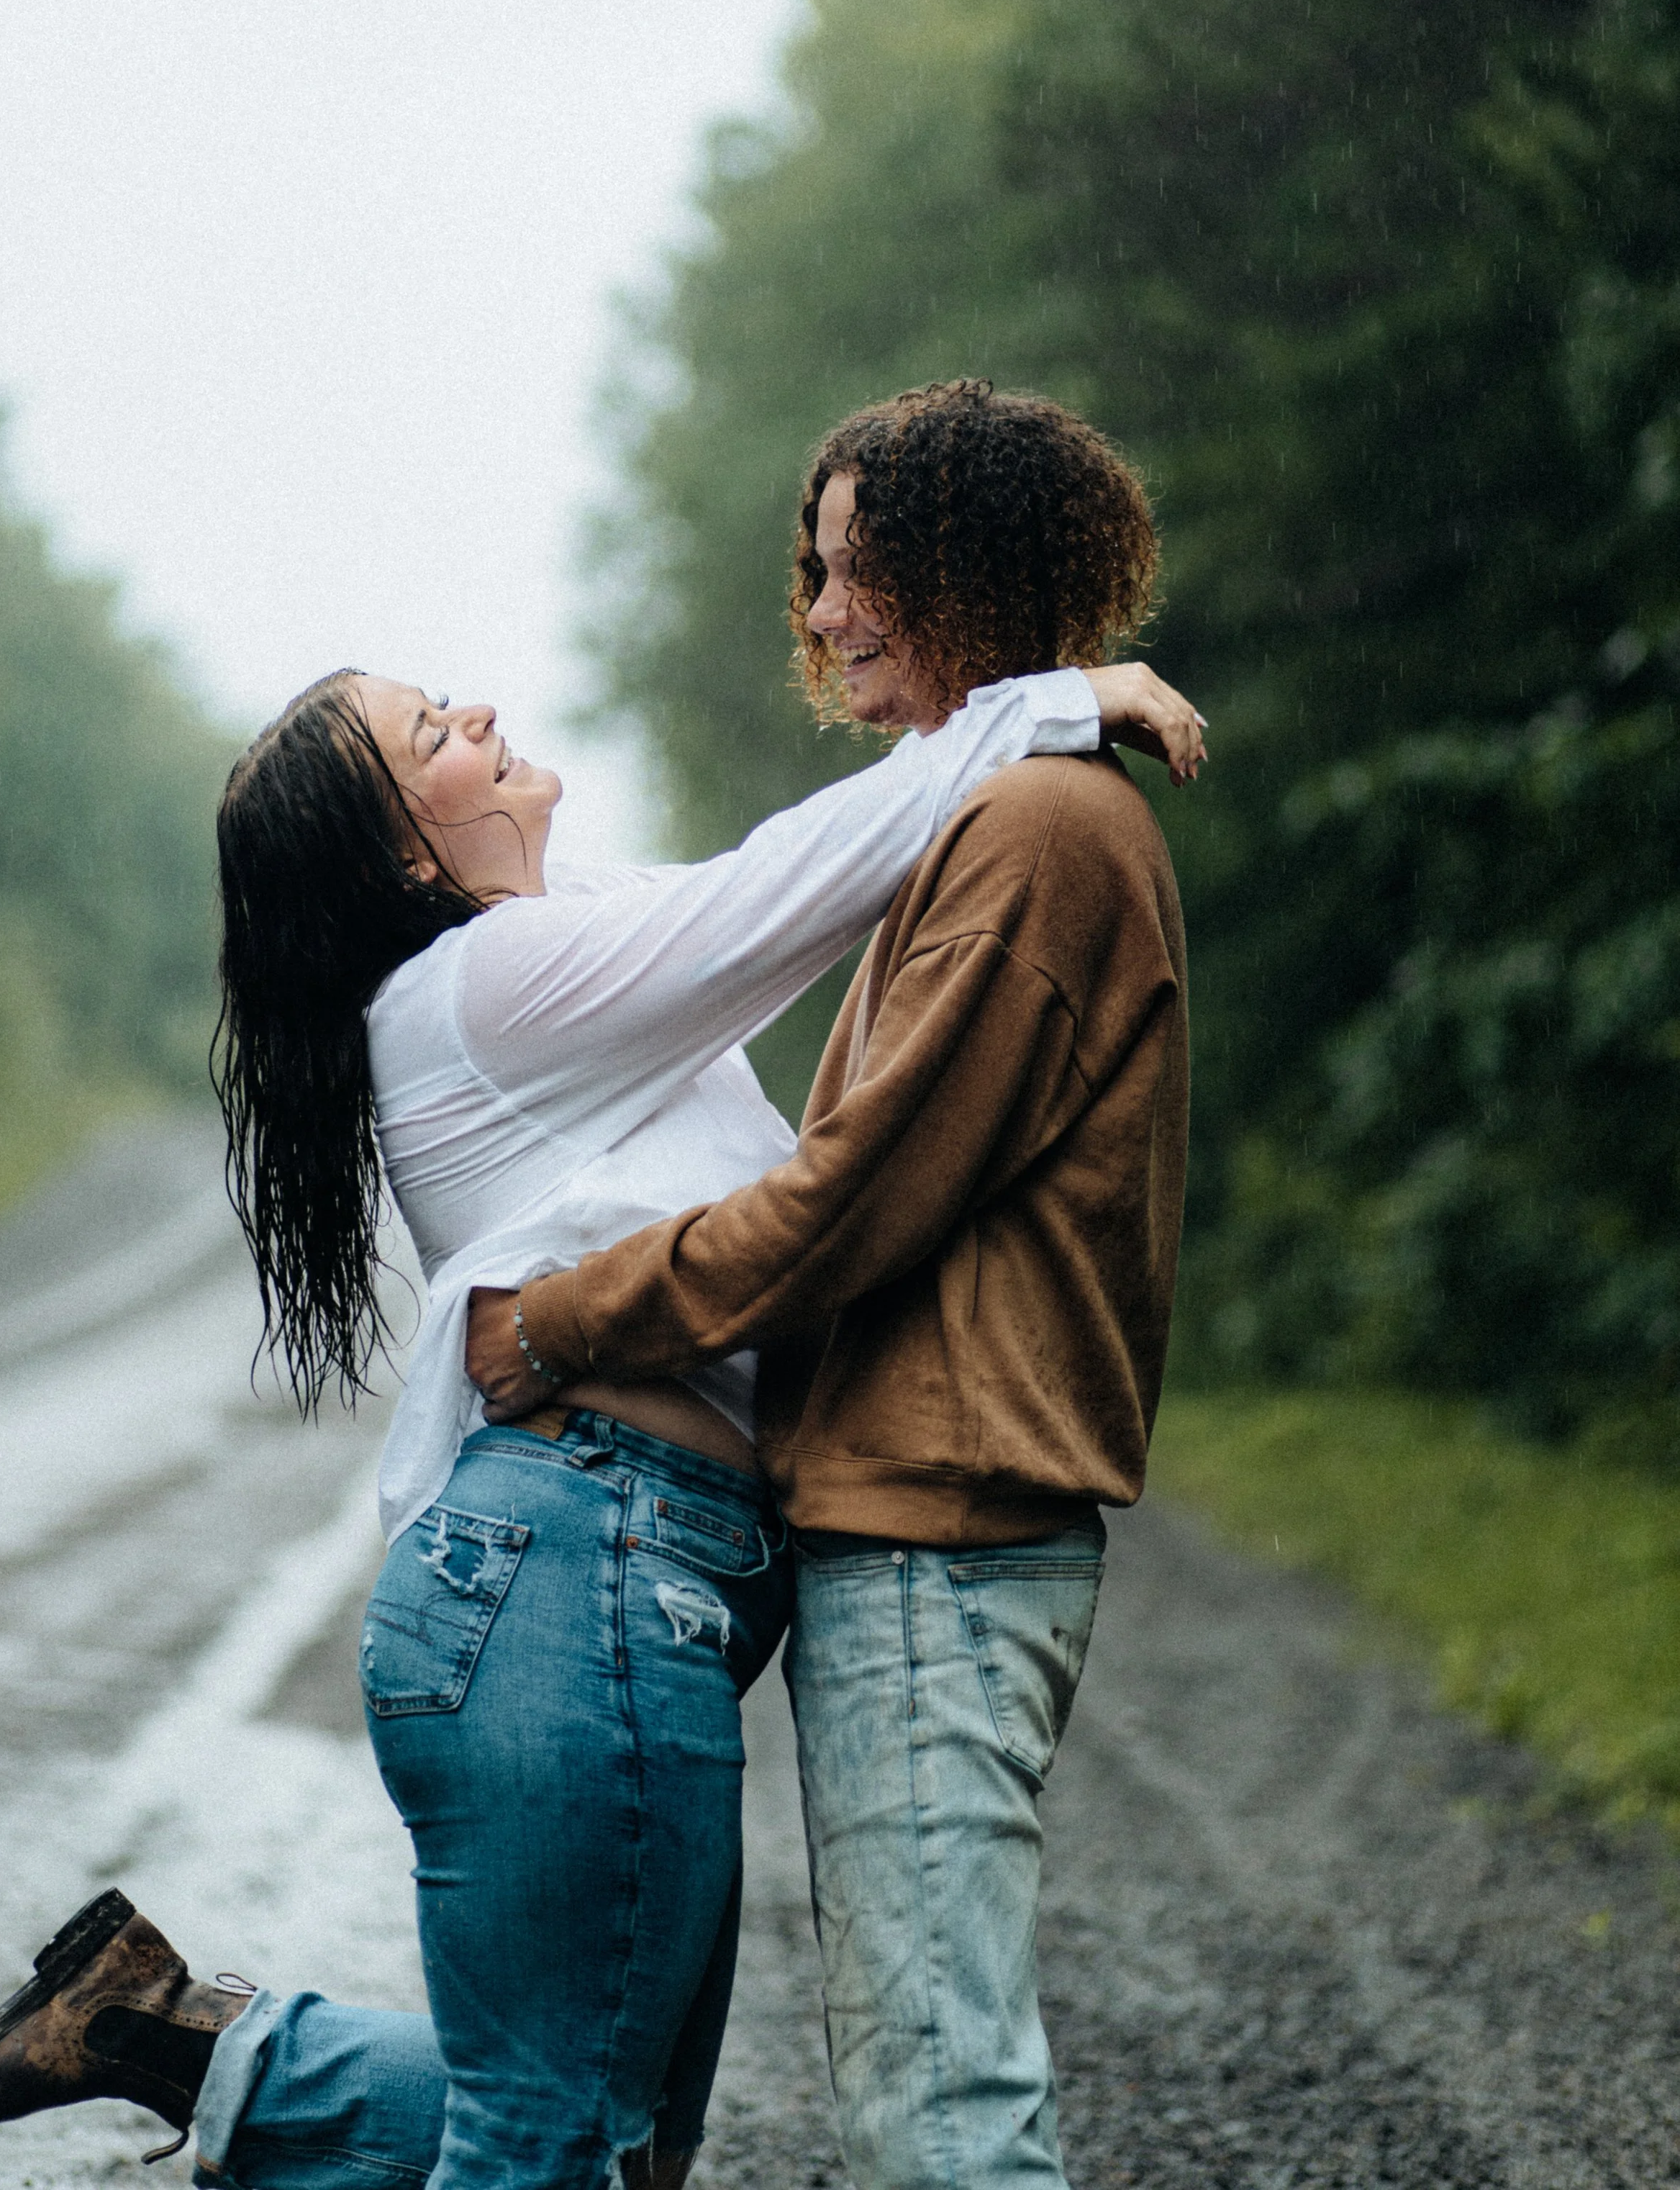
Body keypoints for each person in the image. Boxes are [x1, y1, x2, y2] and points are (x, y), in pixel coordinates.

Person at [0, 420, 1203, 2190]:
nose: (484, 715)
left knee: (599, 2138)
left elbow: (777, 875)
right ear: (404, 858)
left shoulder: (555, 932)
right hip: (575, 1569)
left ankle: (176, 2038)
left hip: (618, 1578)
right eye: (435, 733)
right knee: (565, 2141)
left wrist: (1016, 711)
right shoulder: (488, 984)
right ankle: (175, 2039)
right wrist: (1056, 693)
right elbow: (788, 889)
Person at [468, 380, 1191, 2190]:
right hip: (906, 1528)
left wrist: (557, 1321)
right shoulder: (975, 812)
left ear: (970, 569)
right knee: (907, 2082)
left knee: (939, 2106)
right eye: (810, 570)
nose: (815, 610)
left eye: (853, 570)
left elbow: (841, 1208)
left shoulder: (1037, 838)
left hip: (944, 1537)